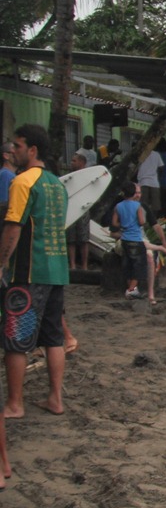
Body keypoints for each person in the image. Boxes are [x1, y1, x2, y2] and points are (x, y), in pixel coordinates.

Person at [1, 124, 69, 421]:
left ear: (32, 150)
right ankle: (55, 398)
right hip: (57, 271)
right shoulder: (57, 184)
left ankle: (15, 404)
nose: (11, 150)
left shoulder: (22, 182)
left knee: (16, 339)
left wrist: (1, 263)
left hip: (27, 274)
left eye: (17, 146)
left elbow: (13, 226)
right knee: (53, 338)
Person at [111, 182, 150, 299]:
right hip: (136, 238)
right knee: (139, 265)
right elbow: (142, 222)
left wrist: (123, 224)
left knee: (127, 265)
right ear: (134, 193)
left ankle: (132, 288)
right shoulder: (137, 206)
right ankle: (131, 289)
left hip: (124, 239)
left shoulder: (118, 206)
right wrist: (135, 223)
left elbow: (114, 223)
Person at [65, 152, 91, 270]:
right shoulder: (69, 176)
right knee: (71, 239)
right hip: (71, 209)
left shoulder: (88, 175)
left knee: (84, 239)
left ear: (81, 162)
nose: (71, 163)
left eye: (74, 161)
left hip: (83, 209)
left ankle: (85, 265)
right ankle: (73, 265)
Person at [136, 147, 163, 215]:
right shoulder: (156, 154)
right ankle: (154, 219)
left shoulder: (140, 154)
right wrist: (157, 176)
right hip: (154, 182)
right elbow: (161, 167)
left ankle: (144, 219)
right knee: (155, 205)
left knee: (143, 205)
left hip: (143, 182)